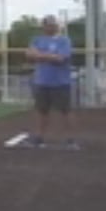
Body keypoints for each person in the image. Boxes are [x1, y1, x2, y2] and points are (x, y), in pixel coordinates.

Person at [22, 16, 77, 149]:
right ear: (44, 26)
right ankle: (39, 138)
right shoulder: (37, 39)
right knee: (41, 111)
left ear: (57, 26)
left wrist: (40, 55)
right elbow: (29, 54)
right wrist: (49, 56)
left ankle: (71, 140)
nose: (50, 27)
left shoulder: (64, 40)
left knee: (66, 111)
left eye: (53, 25)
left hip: (61, 82)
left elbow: (60, 59)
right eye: (47, 25)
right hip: (42, 81)